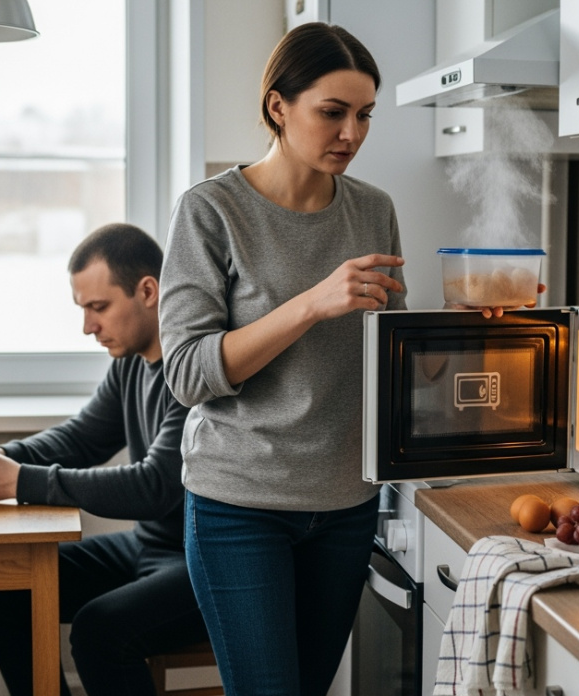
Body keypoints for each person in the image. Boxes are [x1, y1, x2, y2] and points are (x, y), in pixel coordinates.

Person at [157, 22, 404, 696]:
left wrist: (458, 334)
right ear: (278, 108)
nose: (351, 133)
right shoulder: (212, 211)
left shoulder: (374, 210)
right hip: (240, 505)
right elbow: (185, 374)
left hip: (347, 503)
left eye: (364, 115)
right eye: (332, 113)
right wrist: (311, 304)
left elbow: (392, 356)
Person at [0, 223, 206, 696]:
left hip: (199, 561)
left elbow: (155, 486)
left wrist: (19, 481)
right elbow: (82, 437)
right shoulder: (130, 363)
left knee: (100, 631)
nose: (88, 327)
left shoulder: (195, 368)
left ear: (148, 291)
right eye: (84, 310)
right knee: (1, 586)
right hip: (147, 547)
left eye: (99, 307)